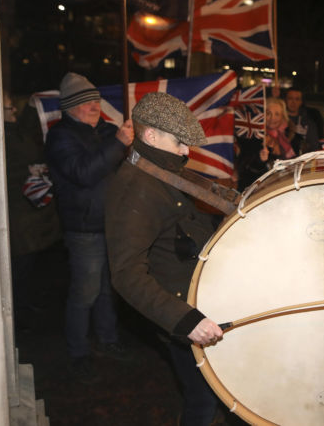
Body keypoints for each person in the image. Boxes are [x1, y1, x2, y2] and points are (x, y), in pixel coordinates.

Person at [105, 92, 224, 426]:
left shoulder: (160, 169)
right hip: (182, 313)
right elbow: (127, 275)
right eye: (179, 143)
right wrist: (187, 321)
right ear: (151, 136)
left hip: (198, 297)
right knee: (202, 402)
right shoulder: (136, 187)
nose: (187, 152)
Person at [44, 72, 134, 383]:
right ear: (70, 107)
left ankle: (108, 340)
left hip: (113, 224)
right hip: (84, 228)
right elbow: (83, 172)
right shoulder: (61, 137)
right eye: (86, 101)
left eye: (95, 99)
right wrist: (119, 143)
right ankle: (78, 351)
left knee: (109, 290)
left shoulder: (109, 131)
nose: (94, 104)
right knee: (85, 292)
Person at [4, 92, 62, 333]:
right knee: (18, 272)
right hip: (20, 217)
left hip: (27, 218)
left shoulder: (14, 135)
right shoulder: (4, 139)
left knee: (25, 270)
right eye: (9, 109)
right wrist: (33, 171)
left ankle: (22, 310)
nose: (13, 111)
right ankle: (17, 317)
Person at [235, 97, 295, 190]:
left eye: (277, 114)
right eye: (268, 113)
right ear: (262, 115)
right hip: (256, 191)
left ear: (283, 117)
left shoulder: (287, 138)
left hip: (282, 189)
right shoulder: (254, 136)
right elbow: (245, 168)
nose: (272, 118)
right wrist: (260, 160)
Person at [284, 87, 322, 153]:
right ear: (285, 100)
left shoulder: (308, 122)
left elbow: (315, 146)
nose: (293, 102)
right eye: (290, 98)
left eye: (297, 99)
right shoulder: (278, 120)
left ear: (301, 102)